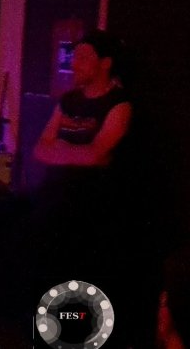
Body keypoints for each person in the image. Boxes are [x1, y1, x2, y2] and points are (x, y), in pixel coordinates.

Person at [31, 29, 137, 345]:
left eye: (83, 57)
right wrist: (78, 154)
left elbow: (98, 154)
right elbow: (40, 148)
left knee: (87, 282)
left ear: (105, 63)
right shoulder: (69, 101)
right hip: (56, 206)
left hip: (93, 211)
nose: (74, 63)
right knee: (53, 277)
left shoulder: (119, 104)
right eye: (74, 56)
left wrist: (63, 150)